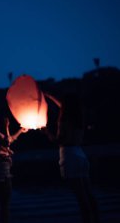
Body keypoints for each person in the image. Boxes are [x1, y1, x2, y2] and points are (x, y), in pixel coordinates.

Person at [43, 93, 100, 223]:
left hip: (69, 156)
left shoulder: (64, 121)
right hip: (80, 154)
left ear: (65, 106)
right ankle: (96, 219)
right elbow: (63, 105)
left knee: (81, 197)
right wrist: (48, 95)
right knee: (89, 193)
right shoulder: (78, 116)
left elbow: (60, 141)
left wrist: (46, 132)